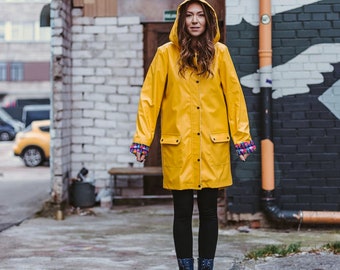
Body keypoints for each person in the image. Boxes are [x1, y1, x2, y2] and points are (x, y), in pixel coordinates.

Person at [130, 0, 256, 269]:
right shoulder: (165, 54)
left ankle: (206, 266)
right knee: (182, 212)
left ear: (209, 20)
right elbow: (149, 99)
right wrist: (142, 138)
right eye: (190, 15)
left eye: (201, 15)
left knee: (210, 212)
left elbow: (234, 97)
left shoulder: (220, 53)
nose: (195, 20)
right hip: (180, 146)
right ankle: (185, 267)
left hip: (212, 145)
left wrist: (241, 136)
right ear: (181, 20)